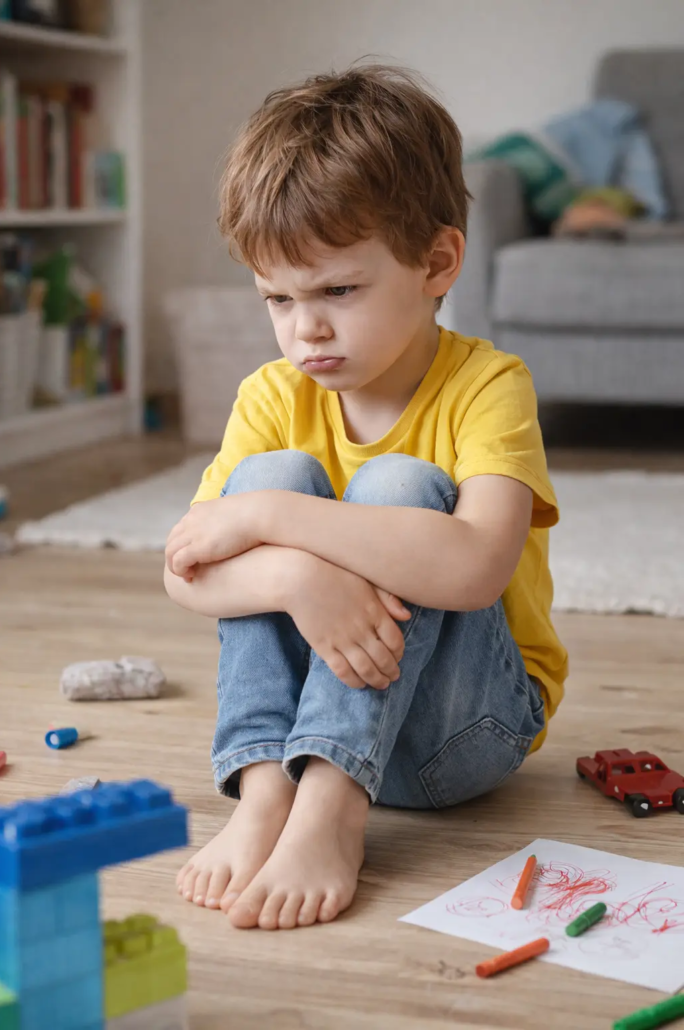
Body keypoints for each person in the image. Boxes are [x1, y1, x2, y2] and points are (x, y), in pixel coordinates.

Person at [164, 64, 568, 932]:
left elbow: (473, 568)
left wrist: (273, 525)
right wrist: (297, 578)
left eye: (338, 290)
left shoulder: (489, 385)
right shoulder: (271, 396)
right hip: (296, 735)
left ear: (436, 262)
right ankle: (266, 794)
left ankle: (332, 811)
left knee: (395, 487)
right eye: (278, 298)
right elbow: (185, 572)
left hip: (459, 737)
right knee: (268, 473)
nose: (304, 328)